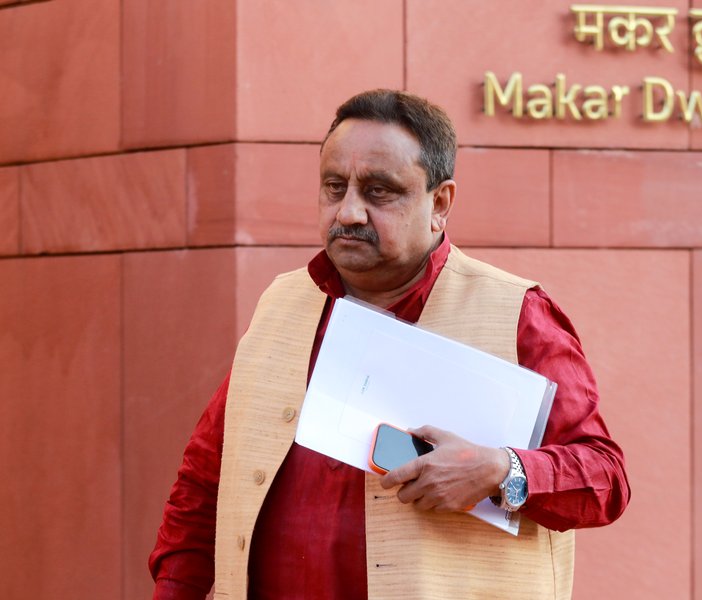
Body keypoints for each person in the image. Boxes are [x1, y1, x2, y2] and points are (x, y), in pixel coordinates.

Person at [149, 89, 630, 600]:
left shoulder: (517, 313)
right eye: (335, 187)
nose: (349, 212)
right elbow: (205, 479)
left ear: (439, 204)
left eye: (379, 192)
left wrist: (499, 471)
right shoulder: (283, 304)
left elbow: (606, 478)